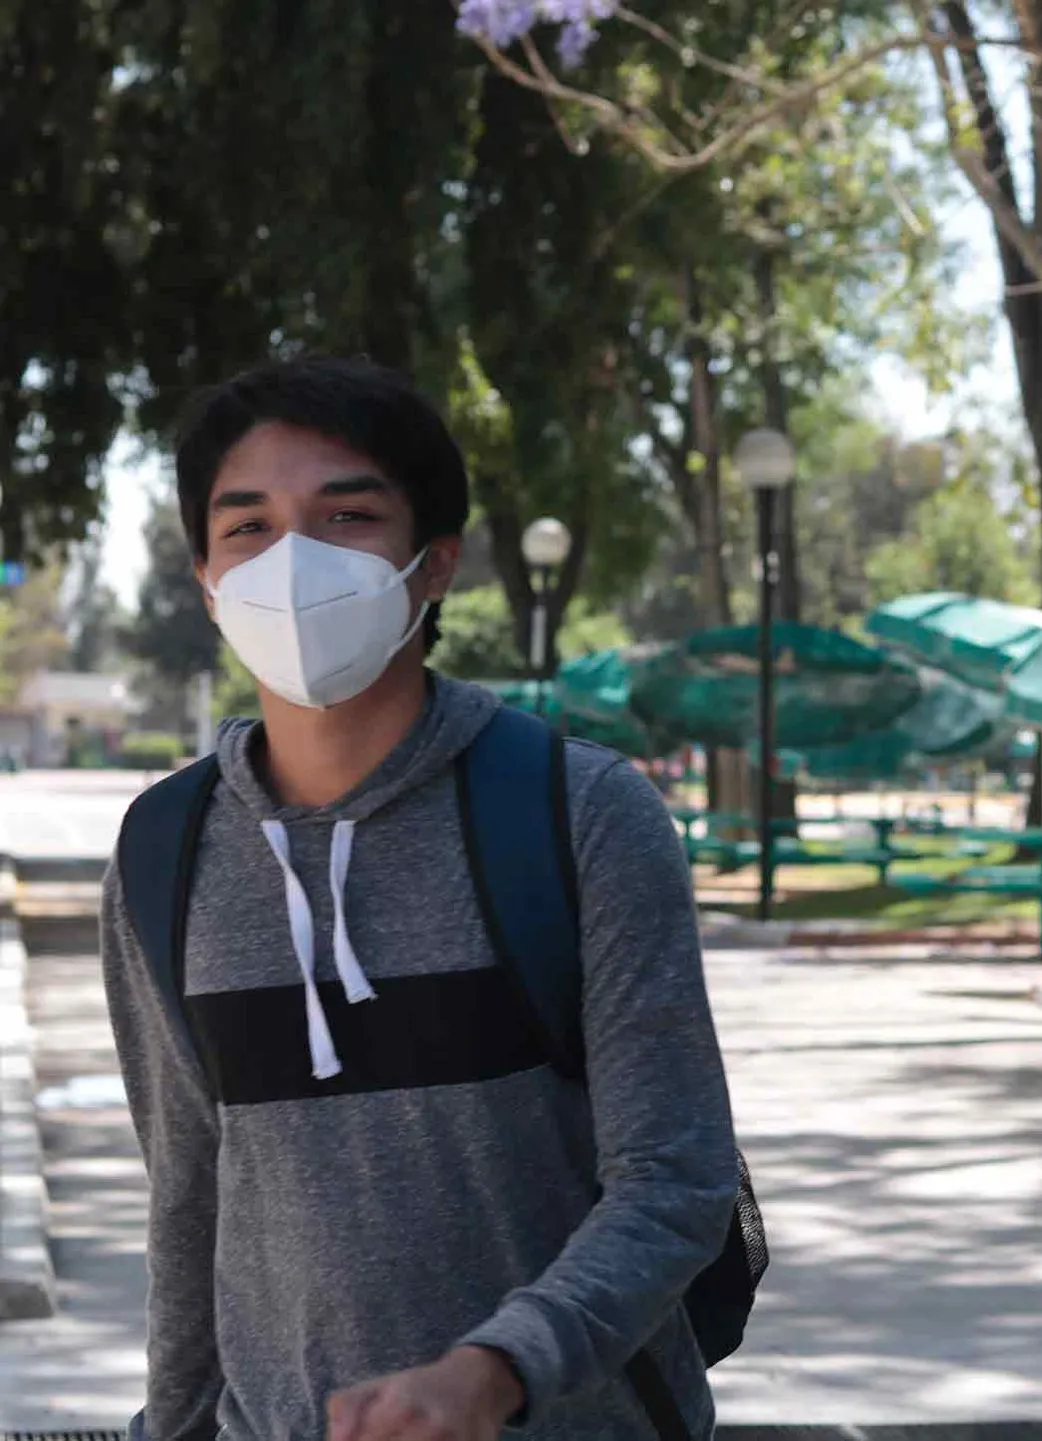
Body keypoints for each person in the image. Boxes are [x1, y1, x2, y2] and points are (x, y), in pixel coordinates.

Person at [102, 357, 739, 1441]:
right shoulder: (165, 851)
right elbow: (190, 1202)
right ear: (207, 577)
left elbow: (676, 1178)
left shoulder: (579, 814)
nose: (291, 561)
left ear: (433, 565)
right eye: (247, 525)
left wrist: (495, 1370)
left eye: (345, 515)